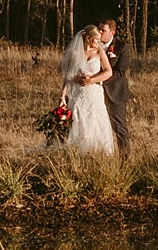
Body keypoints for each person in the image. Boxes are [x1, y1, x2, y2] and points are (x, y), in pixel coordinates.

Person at [54, 24, 117, 155]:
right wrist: (63, 95)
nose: (99, 43)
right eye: (96, 40)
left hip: (94, 93)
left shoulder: (100, 53)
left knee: (95, 120)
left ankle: (96, 153)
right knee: (78, 119)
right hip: (78, 94)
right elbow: (68, 76)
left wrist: (91, 80)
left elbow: (108, 72)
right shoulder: (75, 53)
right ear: (88, 38)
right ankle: (76, 152)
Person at [96, 18, 132, 154]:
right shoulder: (93, 44)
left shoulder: (122, 47)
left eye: (102, 30)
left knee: (119, 127)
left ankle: (125, 159)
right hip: (95, 93)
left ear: (112, 32)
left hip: (115, 92)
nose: (99, 32)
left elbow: (120, 71)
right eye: (98, 28)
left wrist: (99, 80)